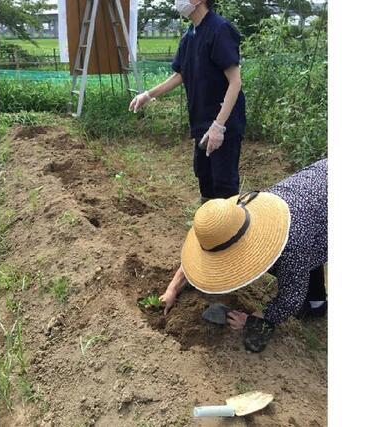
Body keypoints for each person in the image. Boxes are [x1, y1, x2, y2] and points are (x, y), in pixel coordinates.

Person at [160, 159, 328, 352]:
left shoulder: (291, 245)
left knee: (300, 259)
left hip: (319, 208)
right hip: (313, 196)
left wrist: (254, 319)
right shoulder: (235, 216)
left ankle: (316, 304)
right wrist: (172, 288)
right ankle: (317, 302)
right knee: (305, 249)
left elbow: (290, 299)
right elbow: (202, 254)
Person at [129, 0, 246, 202]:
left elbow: (235, 82)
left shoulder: (220, 29)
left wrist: (219, 126)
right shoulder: (190, 35)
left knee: (224, 186)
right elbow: (181, 74)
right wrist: (148, 95)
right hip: (201, 121)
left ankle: (231, 231)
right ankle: (209, 228)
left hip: (223, 123)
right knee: (205, 181)